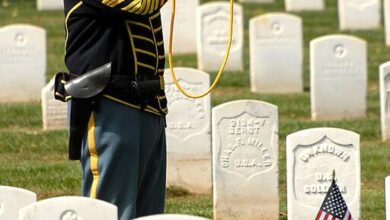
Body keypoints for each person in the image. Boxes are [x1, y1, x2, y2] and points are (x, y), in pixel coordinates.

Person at [62, 0, 169, 219]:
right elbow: (142, 4)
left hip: (149, 104)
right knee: (112, 208)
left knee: (149, 213)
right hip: (110, 104)